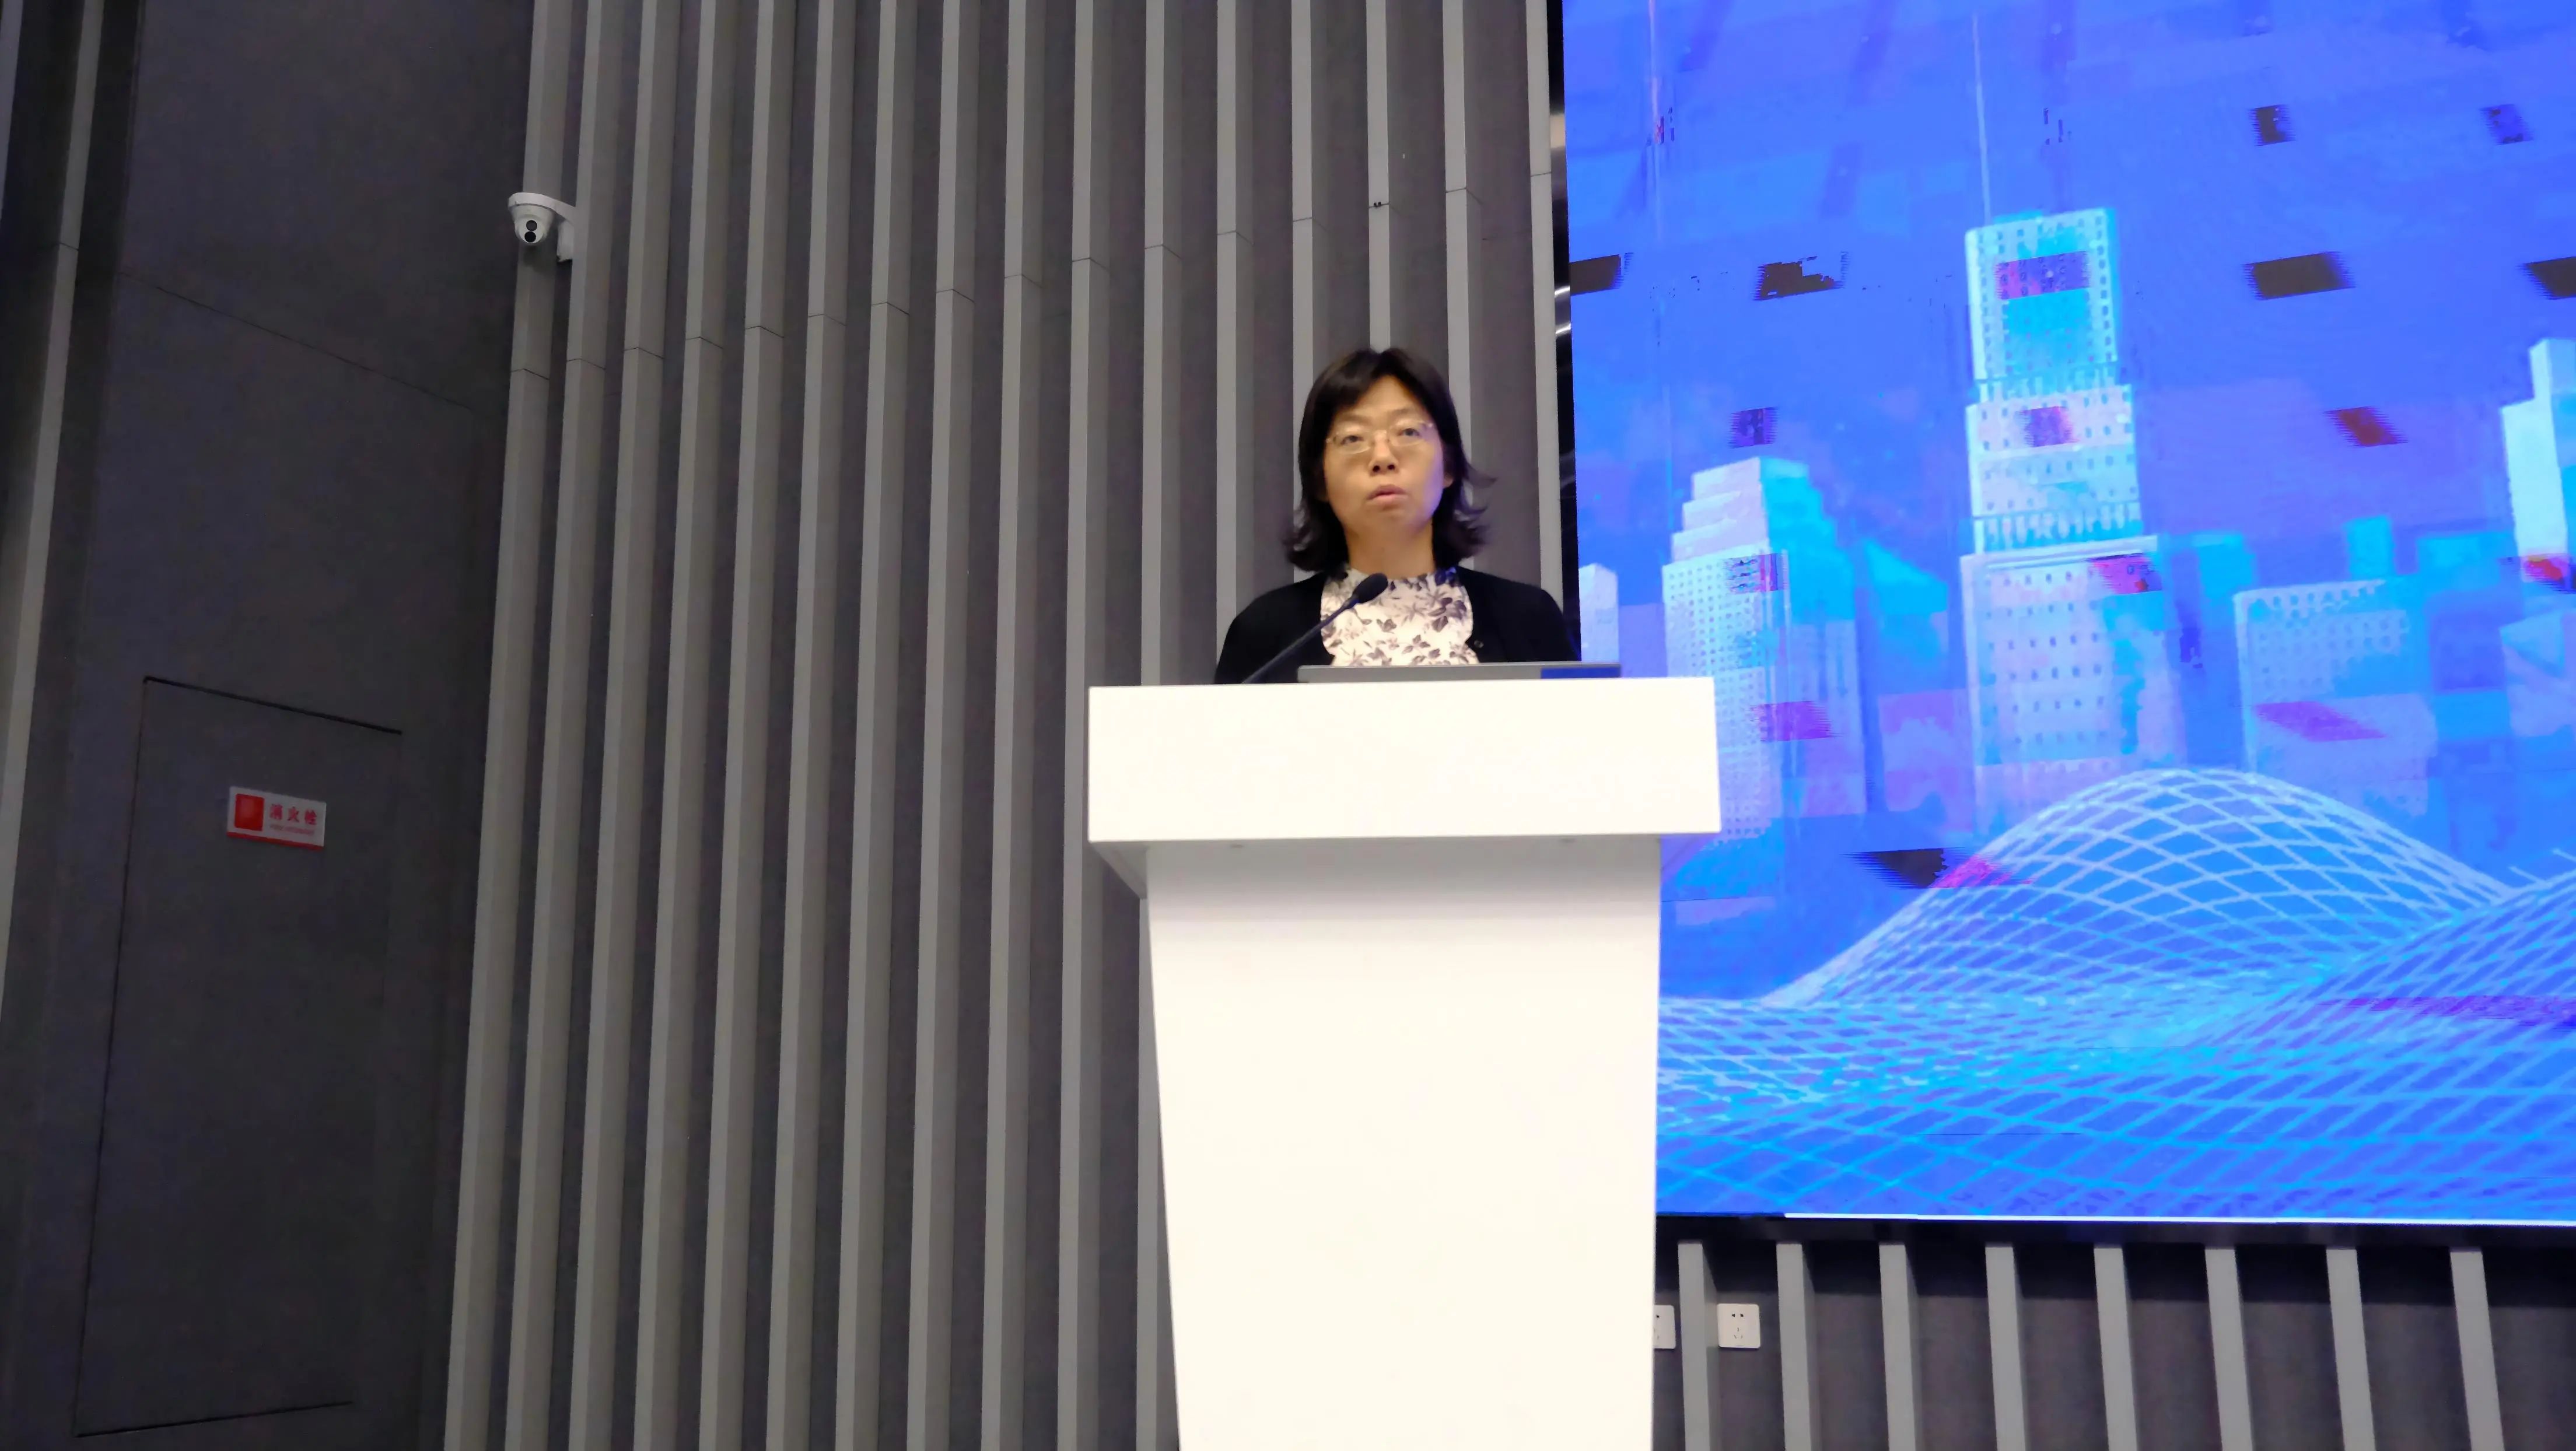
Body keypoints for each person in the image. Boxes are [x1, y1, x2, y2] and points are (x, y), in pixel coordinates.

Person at [1213, 347, 1574, 684]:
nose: (1383, 457)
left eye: (1408, 432)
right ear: (1319, 478)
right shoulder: (1265, 634)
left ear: (1449, 465)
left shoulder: (1527, 618)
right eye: (1353, 438)